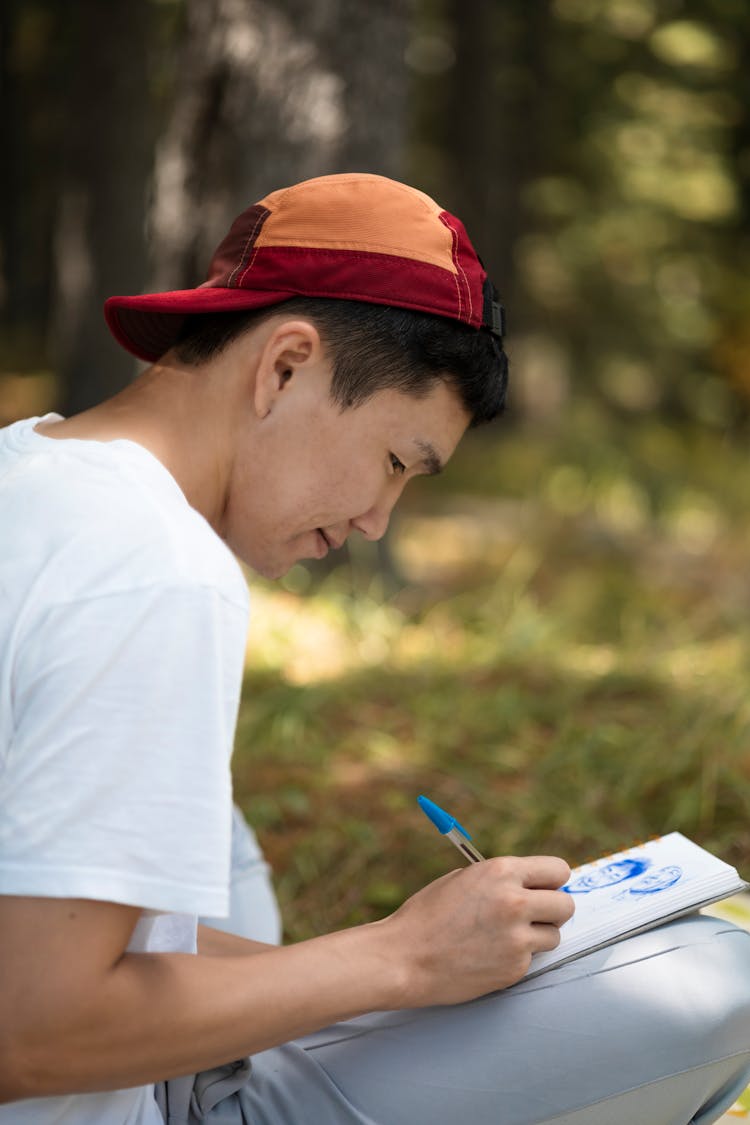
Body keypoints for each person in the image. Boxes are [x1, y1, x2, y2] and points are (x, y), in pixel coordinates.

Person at [0, 173, 749, 1125]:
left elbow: (68, 938)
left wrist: (371, 979)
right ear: (284, 367)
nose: (377, 522)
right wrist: (402, 958)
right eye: (396, 462)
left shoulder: (26, 470)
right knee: (722, 970)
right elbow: (29, 1026)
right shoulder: (159, 571)